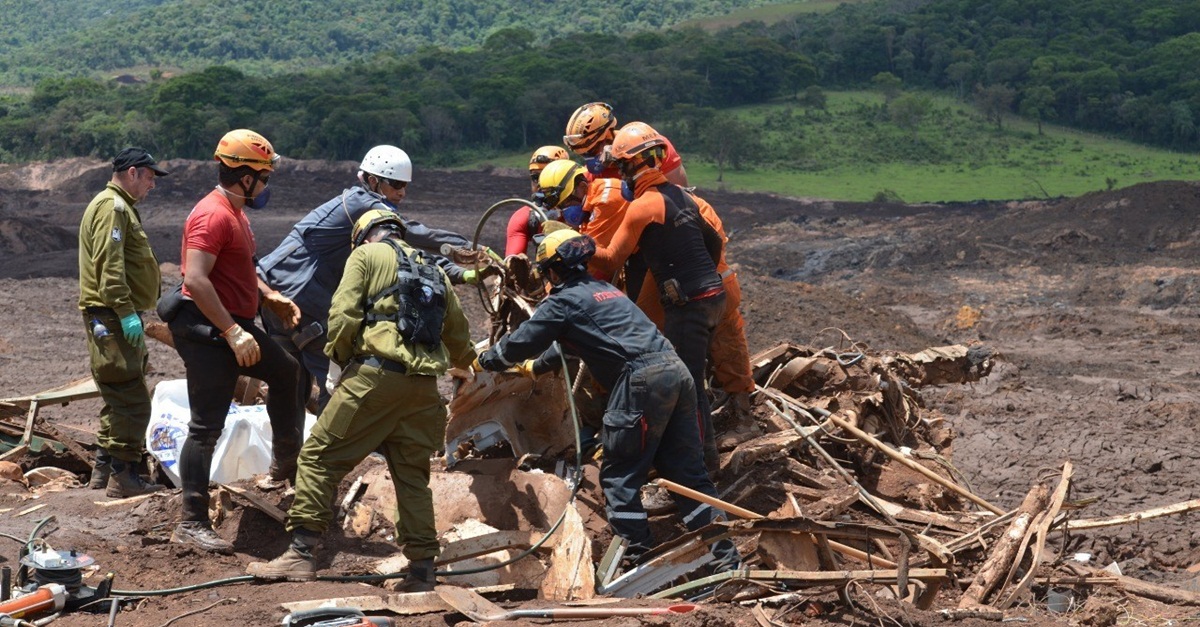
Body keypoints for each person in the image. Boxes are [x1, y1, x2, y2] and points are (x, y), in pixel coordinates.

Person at [475, 228, 739, 570]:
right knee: (689, 477)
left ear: (553, 270)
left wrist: (484, 361)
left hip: (640, 381)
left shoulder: (563, 301)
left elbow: (521, 342)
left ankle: (637, 559)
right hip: (677, 373)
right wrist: (534, 369)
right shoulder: (607, 292)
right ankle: (726, 561)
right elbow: (570, 345)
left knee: (619, 475)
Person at [246, 209, 475, 589]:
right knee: (412, 478)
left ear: (365, 235)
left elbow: (344, 312)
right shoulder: (434, 270)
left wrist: (336, 362)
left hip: (375, 377)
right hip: (423, 390)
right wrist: (469, 361)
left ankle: (300, 555)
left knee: (318, 457)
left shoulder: (366, 256)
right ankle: (422, 570)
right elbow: (459, 336)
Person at [257, 145, 484, 413]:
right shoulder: (363, 205)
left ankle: (289, 453)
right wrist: (469, 249)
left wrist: (459, 271)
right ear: (373, 181)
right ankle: (334, 449)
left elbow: (403, 244)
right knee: (340, 383)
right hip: (303, 297)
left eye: (405, 185)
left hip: (273, 293)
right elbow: (409, 237)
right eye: (396, 184)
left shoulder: (354, 203)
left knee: (291, 384)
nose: (402, 192)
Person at [167, 129, 305, 554]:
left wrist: (269, 296)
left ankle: (285, 463)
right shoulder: (212, 215)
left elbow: (241, 269)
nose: (266, 185)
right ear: (245, 177)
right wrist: (233, 331)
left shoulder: (237, 212)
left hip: (235, 325)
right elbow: (195, 279)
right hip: (209, 332)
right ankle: (191, 522)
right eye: (263, 176)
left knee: (288, 372)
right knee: (206, 426)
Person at [588, 122, 726, 470]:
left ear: (630, 167)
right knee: (689, 380)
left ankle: (699, 468)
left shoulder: (642, 207)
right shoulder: (686, 197)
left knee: (684, 389)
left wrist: (571, 240)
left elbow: (609, 259)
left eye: (620, 168)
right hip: (713, 299)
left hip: (688, 307)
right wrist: (699, 277)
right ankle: (694, 460)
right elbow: (714, 242)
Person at [78, 147, 170, 498]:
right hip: (112, 316)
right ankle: (124, 477)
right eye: (149, 177)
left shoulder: (116, 206)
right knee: (132, 399)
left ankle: (102, 473)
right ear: (132, 172)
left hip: (113, 315)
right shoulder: (113, 207)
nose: (152, 185)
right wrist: (126, 310)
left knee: (118, 395)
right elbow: (109, 267)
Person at [535, 159, 626, 279]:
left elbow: (595, 259)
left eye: (565, 203)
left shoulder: (606, 201)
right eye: (559, 207)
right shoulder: (587, 205)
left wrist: (569, 239)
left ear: (583, 187)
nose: (564, 211)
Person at [563, 102, 688, 186]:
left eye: (591, 151)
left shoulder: (652, 147)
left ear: (607, 136)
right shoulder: (593, 175)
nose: (589, 159)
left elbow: (681, 194)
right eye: (584, 155)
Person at [504, 146, 576, 257]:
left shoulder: (586, 209)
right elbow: (513, 263)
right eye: (535, 178)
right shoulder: (524, 218)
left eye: (547, 176)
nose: (540, 184)